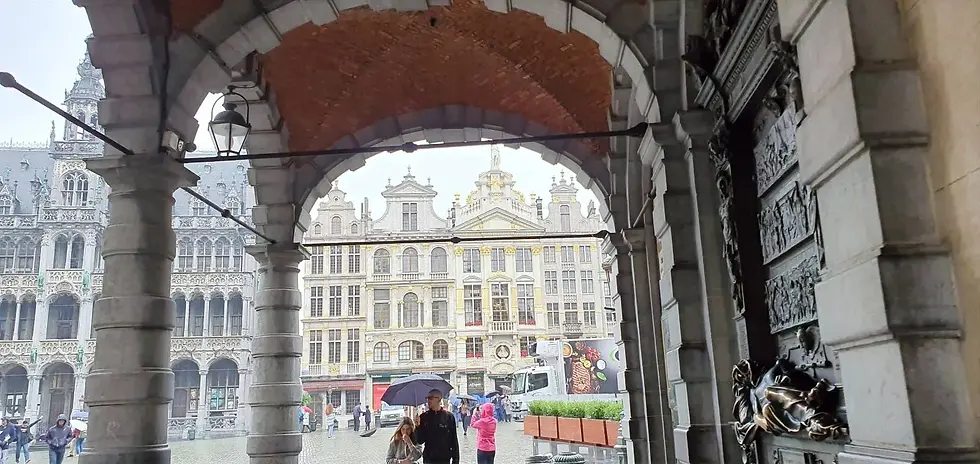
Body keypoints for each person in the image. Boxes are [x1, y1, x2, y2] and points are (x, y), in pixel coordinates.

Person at [414, 389, 459, 464]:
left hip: (444, 458)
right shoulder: (423, 417)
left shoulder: (449, 417)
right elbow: (420, 440)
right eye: (427, 398)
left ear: (439, 399)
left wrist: (455, 460)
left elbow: (453, 440)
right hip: (429, 458)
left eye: (430, 398)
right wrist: (417, 427)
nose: (428, 400)